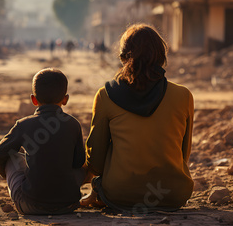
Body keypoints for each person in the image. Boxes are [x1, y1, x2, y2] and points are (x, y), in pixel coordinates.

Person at [81, 24, 194, 213]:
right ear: (162, 57)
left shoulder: (105, 95)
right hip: (172, 193)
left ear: (123, 57)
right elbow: (184, 154)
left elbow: (96, 161)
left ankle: (97, 195)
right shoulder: (184, 95)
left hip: (120, 194)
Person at [0, 68, 85, 215]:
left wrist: (15, 178)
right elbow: (79, 162)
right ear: (65, 99)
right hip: (69, 205)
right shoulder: (73, 124)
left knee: (13, 157)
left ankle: (27, 187)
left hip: (31, 205)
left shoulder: (24, 124)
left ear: (33, 100)